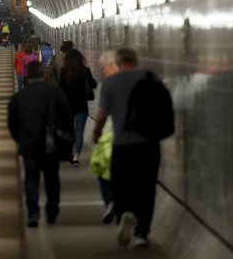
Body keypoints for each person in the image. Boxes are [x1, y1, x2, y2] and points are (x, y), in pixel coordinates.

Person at [92, 48, 162, 248]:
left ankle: (125, 212)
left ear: (119, 62)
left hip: (122, 144)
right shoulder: (152, 77)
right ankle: (142, 233)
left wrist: (96, 133)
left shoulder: (111, 83)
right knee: (147, 187)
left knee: (121, 183)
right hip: (149, 144)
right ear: (136, 61)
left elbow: (103, 114)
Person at [8, 61, 71, 228]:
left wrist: (20, 139)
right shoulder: (55, 92)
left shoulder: (18, 97)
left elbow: (12, 124)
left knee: (31, 179)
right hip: (51, 145)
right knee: (51, 178)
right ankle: (52, 210)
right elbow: (66, 116)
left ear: (26, 77)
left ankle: (33, 213)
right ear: (43, 75)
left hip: (29, 144)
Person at [91, 50, 120, 224]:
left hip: (109, 134)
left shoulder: (107, 86)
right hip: (130, 136)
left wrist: (96, 132)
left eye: (103, 67)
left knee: (102, 170)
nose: (101, 71)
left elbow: (100, 113)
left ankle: (111, 201)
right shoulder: (133, 82)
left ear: (110, 66)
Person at [58, 49, 97, 166]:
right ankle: (76, 156)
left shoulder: (64, 72)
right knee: (79, 132)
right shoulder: (85, 71)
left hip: (67, 107)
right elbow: (94, 84)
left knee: (69, 131)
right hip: (81, 106)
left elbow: (61, 89)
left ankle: (69, 153)